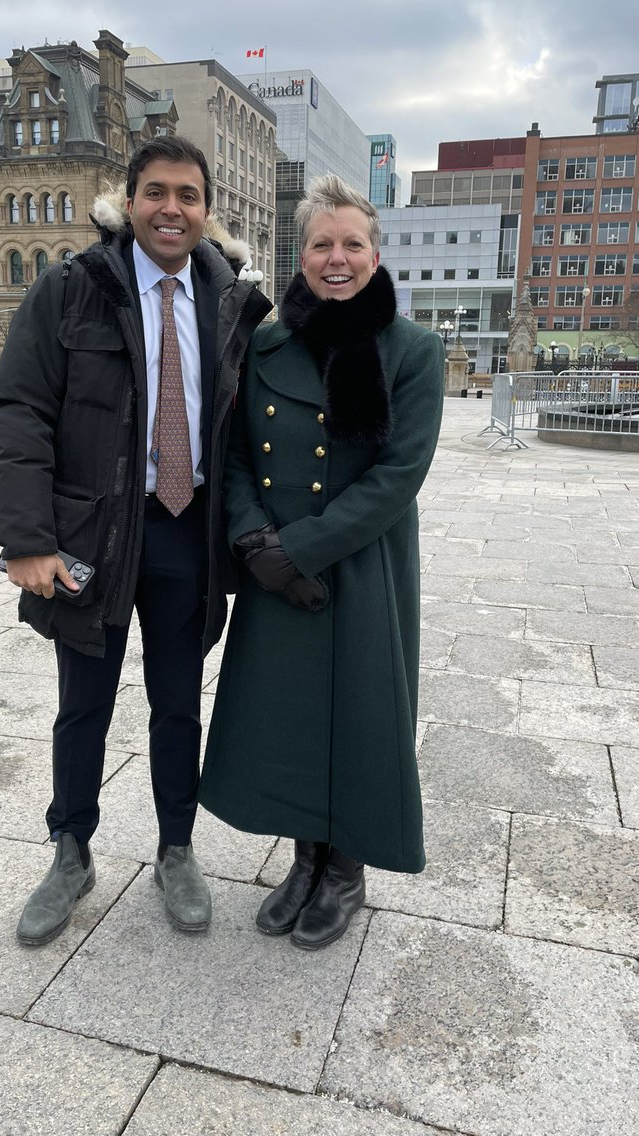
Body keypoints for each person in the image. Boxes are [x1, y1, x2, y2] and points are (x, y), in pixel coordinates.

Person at [0, 135, 270, 946]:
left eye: (187, 194)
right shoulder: (73, 290)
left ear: (207, 209)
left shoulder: (232, 302)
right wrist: (28, 540)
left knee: (179, 708)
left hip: (188, 534)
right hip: (93, 536)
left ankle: (176, 851)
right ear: (130, 201)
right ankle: (71, 851)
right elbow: (20, 411)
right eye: (155, 193)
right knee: (84, 705)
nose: (171, 209)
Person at [198, 174, 445, 950]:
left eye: (351, 244)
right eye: (320, 245)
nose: (335, 258)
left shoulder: (414, 350)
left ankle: (346, 869)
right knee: (290, 718)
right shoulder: (268, 342)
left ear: (375, 253)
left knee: (361, 717)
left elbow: (398, 477)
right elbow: (236, 459)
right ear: (300, 254)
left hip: (361, 567)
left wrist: (296, 550)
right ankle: (305, 859)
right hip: (274, 565)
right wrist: (254, 543)